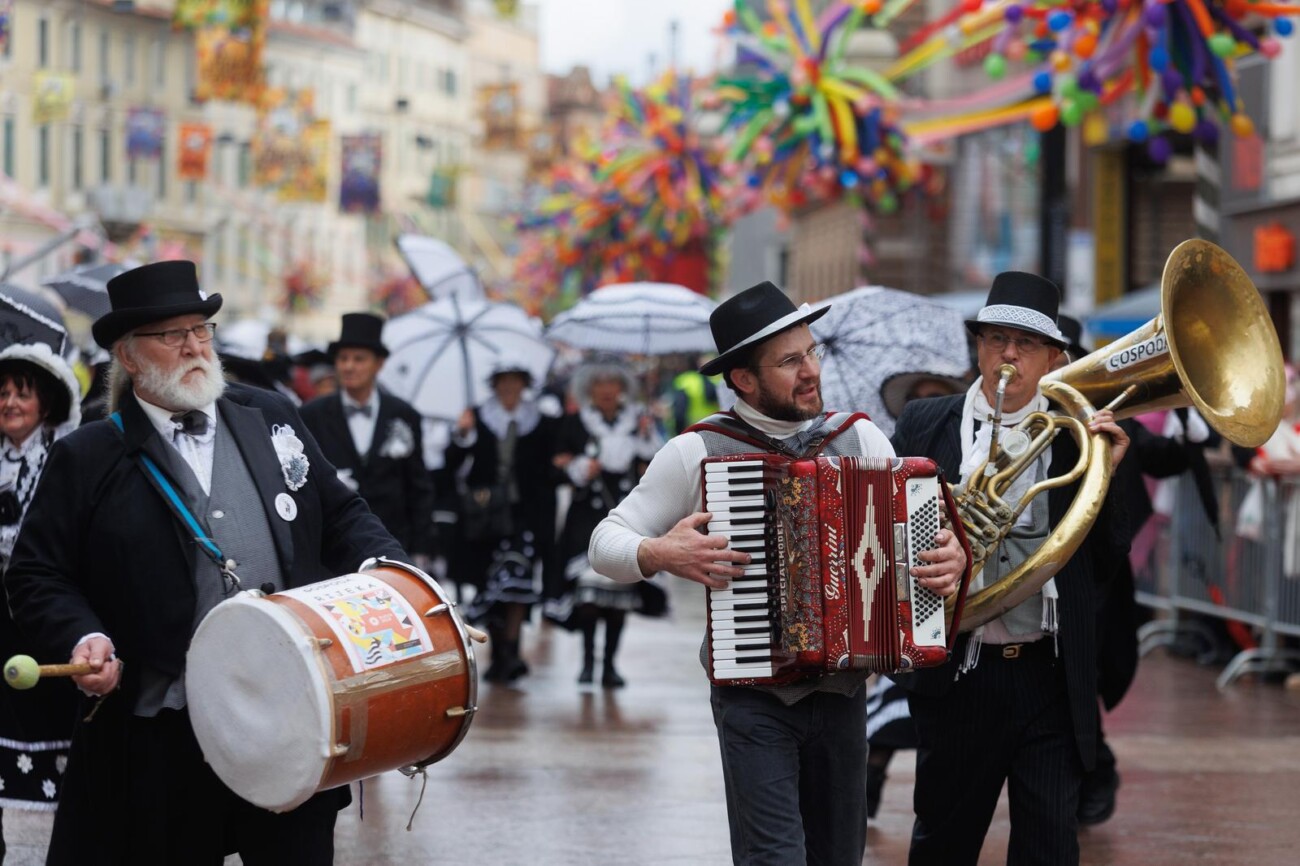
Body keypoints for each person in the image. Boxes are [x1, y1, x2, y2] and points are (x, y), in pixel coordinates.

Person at [3, 260, 405, 864]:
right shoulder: (89, 454)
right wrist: (82, 634)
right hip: (161, 734)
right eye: (172, 335)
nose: (194, 346)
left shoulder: (269, 416)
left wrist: (390, 576)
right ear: (130, 357)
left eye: (201, 329)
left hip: (286, 714)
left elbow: (343, 515)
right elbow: (37, 573)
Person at [588, 281, 967, 866]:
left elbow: (924, 533)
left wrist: (950, 557)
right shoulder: (700, 450)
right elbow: (603, 542)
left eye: (811, 352)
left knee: (838, 856)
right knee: (775, 859)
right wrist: (662, 553)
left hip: (844, 693)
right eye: (790, 361)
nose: (811, 370)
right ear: (743, 378)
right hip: (752, 697)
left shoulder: (858, 436)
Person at [890, 272, 1130, 865]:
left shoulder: (1080, 436)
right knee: (944, 843)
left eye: (1025, 344)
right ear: (977, 345)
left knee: (1050, 848)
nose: (1009, 355)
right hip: (961, 674)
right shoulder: (928, 422)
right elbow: (888, 532)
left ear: (1055, 358)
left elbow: (1106, 563)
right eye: (996, 339)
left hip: (1049, 673)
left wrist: (1110, 478)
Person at [0, 341, 82, 859]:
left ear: (46, 404)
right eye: (2, 393)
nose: (9, 403)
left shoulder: (67, 459)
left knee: (60, 750)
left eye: (21, 394)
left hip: (42, 619)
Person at [550, 359, 666, 688]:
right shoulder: (575, 423)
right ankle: (588, 662)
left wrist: (646, 441)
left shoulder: (638, 422)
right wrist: (577, 468)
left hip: (627, 512)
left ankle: (610, 666)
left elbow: (654, 463)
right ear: (590, 390)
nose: (606, 390)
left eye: (612, 384)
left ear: (622, 390)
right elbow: (555, 463)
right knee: (589, 595)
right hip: (586, 514)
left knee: (620, 593)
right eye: (599, 384)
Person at [445, 361, 559, 683]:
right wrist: (462, 434)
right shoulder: (478, 417)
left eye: (515, 381)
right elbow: (451, 466)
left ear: (525, 384)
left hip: (526, 517)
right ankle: (499, 653)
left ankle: (512, 650)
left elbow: (550, 470)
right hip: (486, 518)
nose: (509, 388)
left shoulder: (541, 422)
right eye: (503, 381)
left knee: (517, 584)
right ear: (494, 384)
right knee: (490, 586)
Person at [300, 312, 435, 559]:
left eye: (359, 359)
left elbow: (418, 486)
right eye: (343, 358)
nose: (349, 366)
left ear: (379, 364)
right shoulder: (311, 414)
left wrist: (420, 549)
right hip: (334, 546)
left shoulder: (403, 414)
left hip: (394, 543)